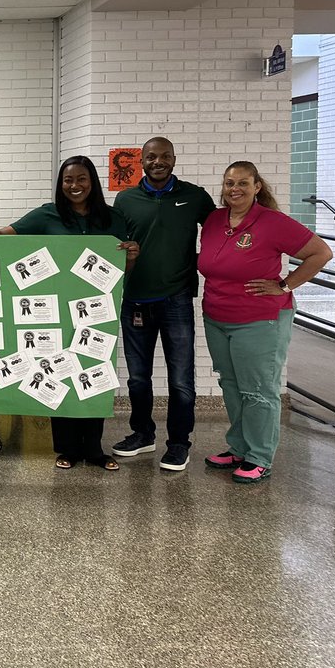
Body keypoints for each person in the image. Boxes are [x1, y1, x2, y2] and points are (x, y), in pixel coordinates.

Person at [0, 155, 139, 470]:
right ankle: (67, 449)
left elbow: (123, 267)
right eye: (68, 180)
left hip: (98, 311)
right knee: (60, 371)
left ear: (92, 182)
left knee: (93, 374)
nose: (74, 186)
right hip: (55, 311)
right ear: (61, 183)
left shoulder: (113, 218)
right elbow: (6, 234)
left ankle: (95, 450)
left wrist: (133, 256)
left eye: (81, 179)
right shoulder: (48, 214)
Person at [197, 161, 332, 484]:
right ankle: (239, 447)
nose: (235, 189)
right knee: (230, 384)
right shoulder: (215, 219)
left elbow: (321, 253)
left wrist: (285, 284)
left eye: (243, 183)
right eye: (230, 183)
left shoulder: (272, 222)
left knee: (258, 390)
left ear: (257, 186)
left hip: (260, 319)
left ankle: (259, 456)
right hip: (217, 316)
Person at [109, 137, 215, 471]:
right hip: (135, 300)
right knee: (138, 379)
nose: (158, 161)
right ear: (141, 160)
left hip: (176, 301)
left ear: (173, 158)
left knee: (181, 378)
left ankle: (179, 443)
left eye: (165, 156)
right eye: (151, 156)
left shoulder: (194, 196)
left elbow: (220, 233)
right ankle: (142, 434)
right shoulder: (125, 199)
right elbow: (111, 244)